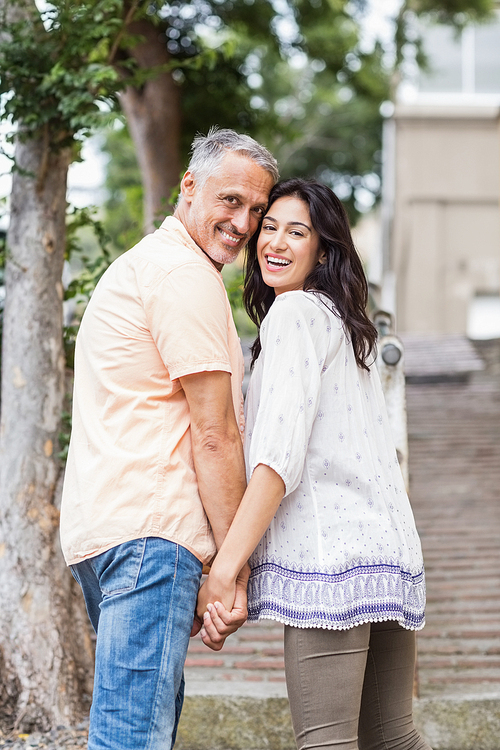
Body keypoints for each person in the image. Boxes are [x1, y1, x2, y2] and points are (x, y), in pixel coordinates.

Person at [59, 127, 278, 750]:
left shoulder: (147, 266)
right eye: (231, 200)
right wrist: (233, 570)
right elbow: (215, 435)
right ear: (190, 187)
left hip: (114, 533)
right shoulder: (183, 275)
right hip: (150, 538)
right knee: (132, 740)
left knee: (135, 732)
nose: (243, 223)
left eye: (257, 210)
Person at [198, 178, 432, 750]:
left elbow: (278, 461)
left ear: (323, 250)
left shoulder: (295, 313)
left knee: (326, 743)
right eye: (269, 227)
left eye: (296, 232)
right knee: (393, 740)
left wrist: (225, 568)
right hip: (388, 555)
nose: (274, 242)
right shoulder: (346, 322)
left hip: (332, 564)